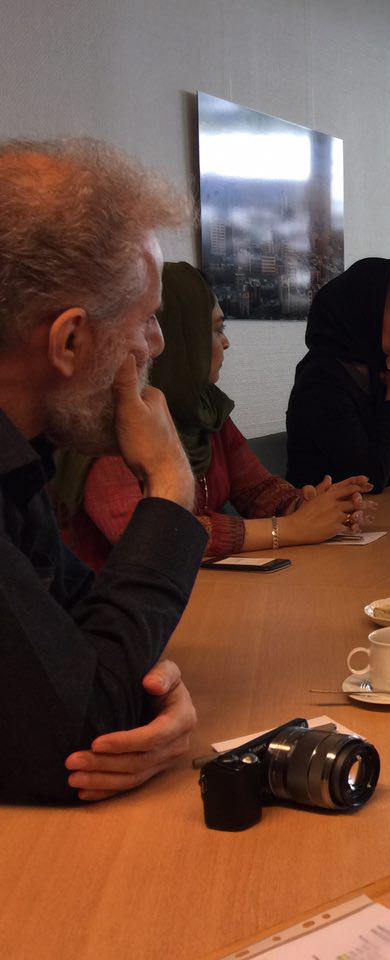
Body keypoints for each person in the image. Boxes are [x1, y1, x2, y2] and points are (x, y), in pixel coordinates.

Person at [0, 138, 207, 803]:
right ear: (69, 340)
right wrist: (170, 489)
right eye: (146, 321)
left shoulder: (21, 459)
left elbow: (86, 647)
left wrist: (154, 695)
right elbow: (79, 733)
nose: (158, 344)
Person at [57, 263, 373, 569]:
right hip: (118, 599)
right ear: (183, 337)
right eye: (216, 329)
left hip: (196, 587)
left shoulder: (207, 408)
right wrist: (289, 529)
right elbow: (149, 536)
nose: (226, 342)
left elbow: (257, 489)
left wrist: (304, 506)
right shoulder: (108, 423)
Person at [286, 257, 390, 493]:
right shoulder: (320, 379)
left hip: (375, 512)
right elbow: (368, 480)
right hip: (323, 514)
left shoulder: (379, 369)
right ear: (365, 314)